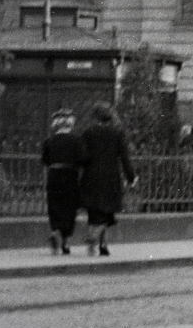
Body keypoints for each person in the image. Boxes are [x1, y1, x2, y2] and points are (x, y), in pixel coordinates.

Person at [79, 101, 138, 256]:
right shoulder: (117, 134)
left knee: (94, 212)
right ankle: (95, 237)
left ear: (95, 116)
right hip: (110, 177)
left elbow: (82, 156)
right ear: (109, 116)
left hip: (91, 176)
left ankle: (101, 245)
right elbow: (124, 158)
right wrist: (131, 177)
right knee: (107, 212)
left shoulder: (88, 133)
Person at [41, 108, 86, 255]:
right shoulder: (76, 140)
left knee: (54, 206)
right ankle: (65, 241)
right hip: (70, 176)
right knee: (69, 208)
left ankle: (55, 231)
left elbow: (45, 161)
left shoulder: (49, 141)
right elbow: (81, 160)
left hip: (54, 175)